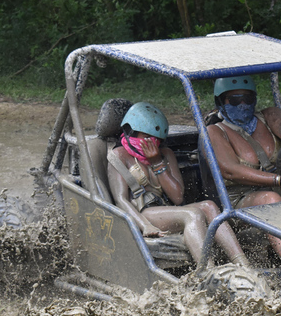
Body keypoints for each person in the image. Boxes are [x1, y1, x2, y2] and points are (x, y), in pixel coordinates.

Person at [107, 102, 249, 269]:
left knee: (209, 206)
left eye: (156, 140)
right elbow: (121, 199)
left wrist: (157, 162)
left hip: (165, 208)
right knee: (192, 215)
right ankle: (207, 271)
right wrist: (145, 225)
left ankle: (243, 264)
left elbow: (177, 197)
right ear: (131, 131)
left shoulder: (165, 154)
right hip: (144, 212)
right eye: (146, 138)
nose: (152, 145)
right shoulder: (118, 156)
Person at [206, 75, 281, 267]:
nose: (243, 104)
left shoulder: (267, 117)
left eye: (248, 98)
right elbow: (231, 171)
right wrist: (278, 180)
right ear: (221, 102)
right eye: (235, 100)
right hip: (240, 201)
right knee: (270, 200)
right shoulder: (215, 132)